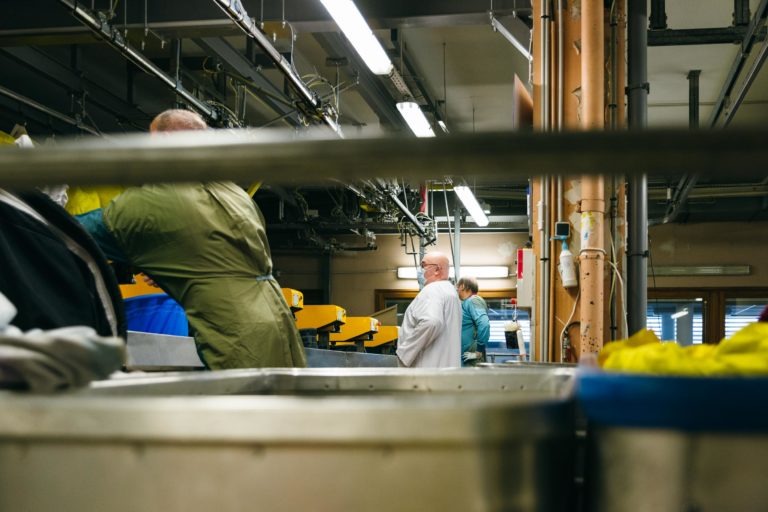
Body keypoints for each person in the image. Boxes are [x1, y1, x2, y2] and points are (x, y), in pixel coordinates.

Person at [94, 108, 307, 370]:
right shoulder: (233, 193)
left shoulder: (158, 197)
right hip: (276, 323)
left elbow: (77, 232)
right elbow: (213, 253)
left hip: (235, 334)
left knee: (243, 405)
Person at [396, 251, 461, 368]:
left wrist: (404, 353)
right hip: (446, 372)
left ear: (437, 270)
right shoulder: (451, 292)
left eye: (423, 266)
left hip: (426, 371)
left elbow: (431, 322)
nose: (420, 270)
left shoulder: (432, 290)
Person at [456, 276, 490, 366]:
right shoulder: (466, 303)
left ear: (463, 286)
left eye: (458, 287)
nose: (457, 290)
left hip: (472, 357)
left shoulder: (473, 300)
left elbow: (484, 324)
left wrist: (479, 351)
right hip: (466, 356)